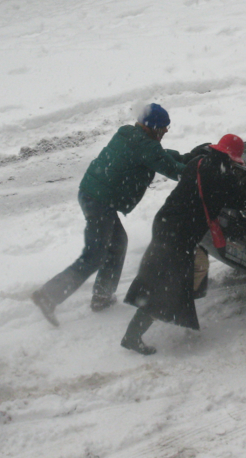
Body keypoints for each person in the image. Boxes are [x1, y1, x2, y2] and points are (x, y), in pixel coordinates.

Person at [32, 103, 190, 326]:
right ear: (154, 127)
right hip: (100, 203)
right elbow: (169, 167)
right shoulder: (147, 147)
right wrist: (196, 169)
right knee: (94, 255)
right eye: (164, 127)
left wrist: (184, 157)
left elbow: (158, 156)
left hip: (90, 194)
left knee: (116, 244)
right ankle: (48, 295)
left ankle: (102, 297)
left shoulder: (127, 133)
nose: (166, 131)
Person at [121, 134, 246, 355]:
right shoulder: (222, 178)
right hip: (179, 236)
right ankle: (132, 336)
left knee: (197, 261)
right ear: (230, 157)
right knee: (163, 287)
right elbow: (241, 200)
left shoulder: (198, 162)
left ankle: (186, 296)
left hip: (165, 223)